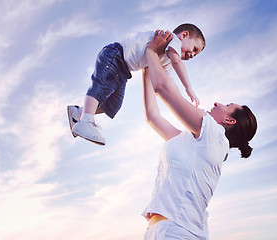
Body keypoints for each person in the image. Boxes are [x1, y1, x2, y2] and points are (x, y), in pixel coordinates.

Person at [141, 30, 257, 240]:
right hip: (164, 230)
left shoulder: (214, 134)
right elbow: (152, 117)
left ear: (229, 121)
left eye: (227, 105)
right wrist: (148, 66)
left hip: (177, 232)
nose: (217, 103)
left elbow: (163, 88)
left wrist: (151, 50)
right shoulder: (197, 143)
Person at [67, 23, 206, 145]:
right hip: (116, 55)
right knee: (101, 87)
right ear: (184, 35)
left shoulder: (166, 59)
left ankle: (77, 112)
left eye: (196, 55)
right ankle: (86, 119)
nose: (192, 55)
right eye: (194, 49)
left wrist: (181, 99)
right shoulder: (171, 40)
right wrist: (189, 88)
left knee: (113, 105)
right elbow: (177, 63)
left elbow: (169, 82)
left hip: (124, 70)